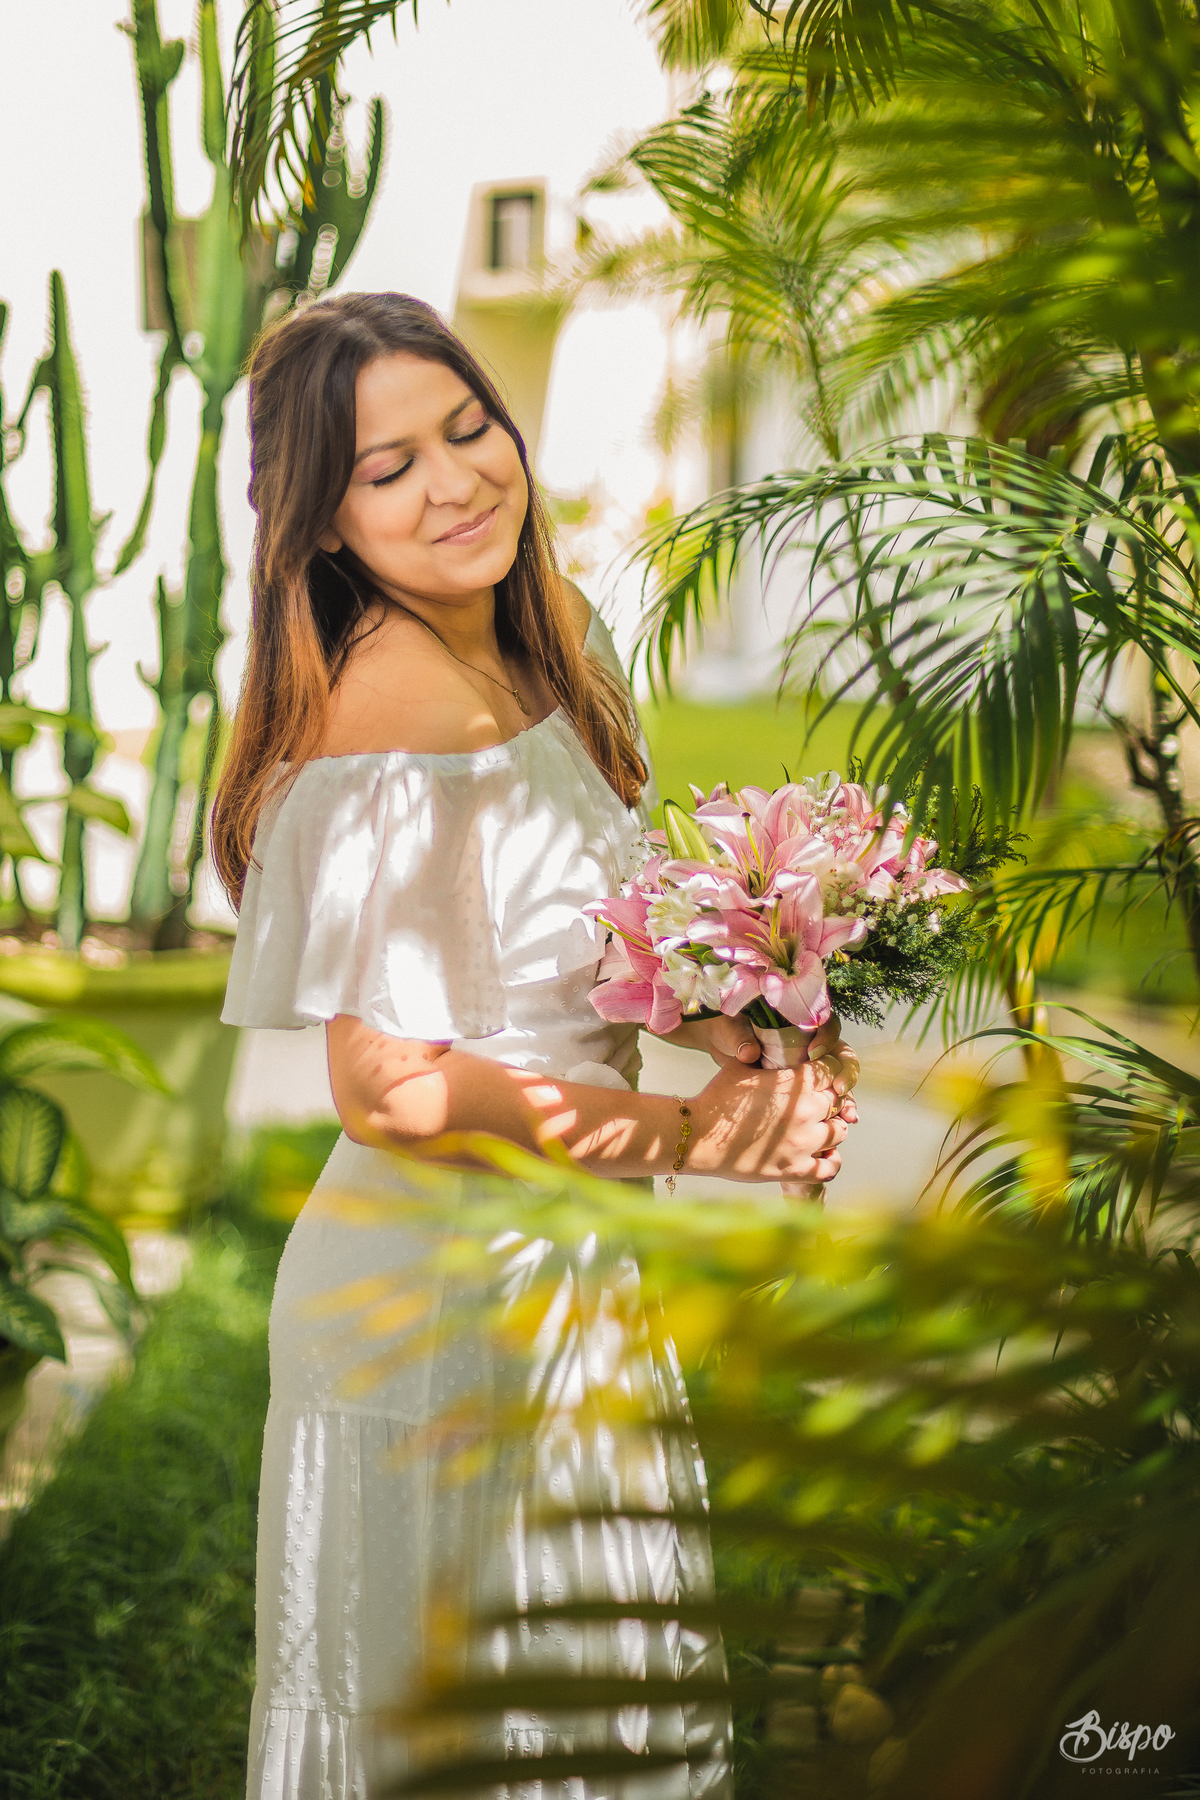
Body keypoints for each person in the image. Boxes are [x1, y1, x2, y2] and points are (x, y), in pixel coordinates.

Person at [213, 291, 858, 1800]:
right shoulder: (391, 705)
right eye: (387, 469)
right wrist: (694, 1138)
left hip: (553, 1271)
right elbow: (392, 1087)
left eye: (467, 427)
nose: (456, 481)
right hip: (440, 1312)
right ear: (319, 523)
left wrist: (747, 1022)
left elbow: (579, 939)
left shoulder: (511, 658)